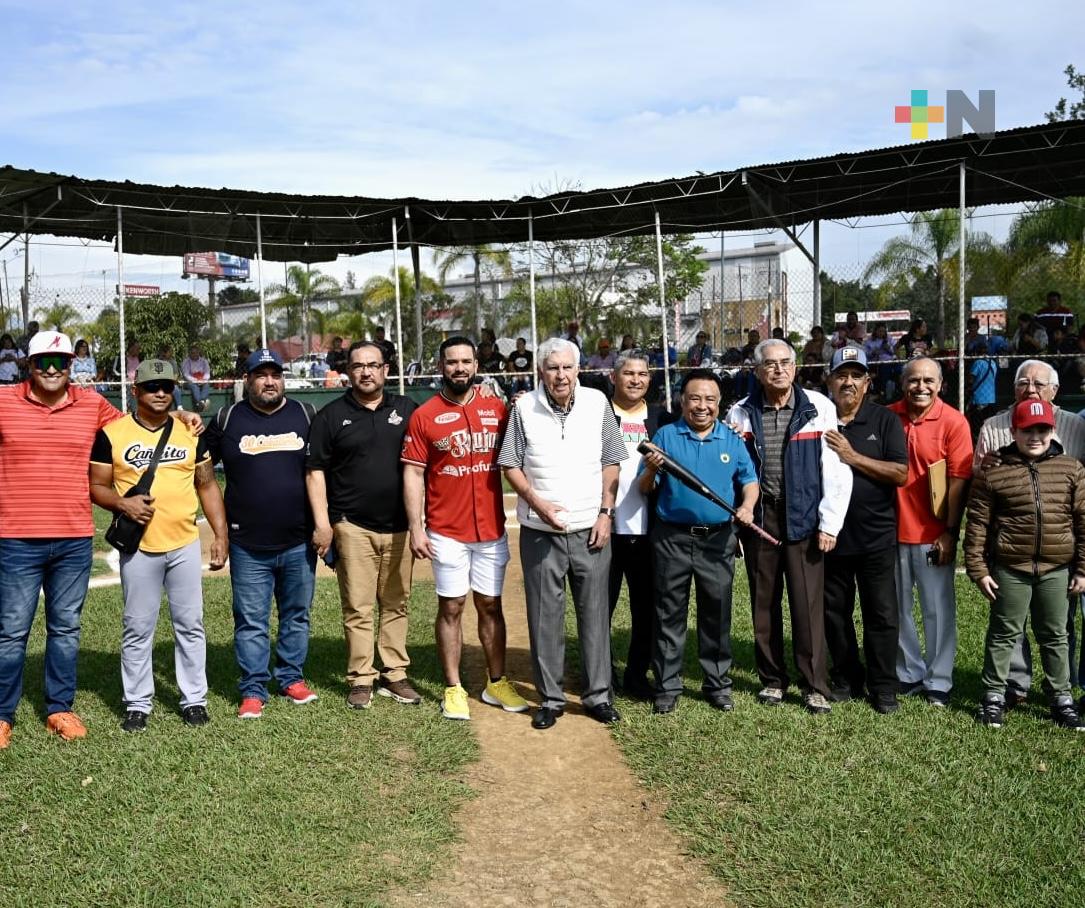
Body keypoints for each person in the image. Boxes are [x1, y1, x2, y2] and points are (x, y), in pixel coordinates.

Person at [0, 331, 124, 748]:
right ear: (28, 365)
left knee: (66, 628)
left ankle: (59, 708)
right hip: (15, 538)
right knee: (12, 631)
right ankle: (2, 714)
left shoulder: (91, 404)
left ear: (72, 365)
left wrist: (179, 418)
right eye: (42, 362)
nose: (52, 370)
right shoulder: (3, 402)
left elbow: (134, 433)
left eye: (60, 362)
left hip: (73, 538)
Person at [89, 359, 228, 732]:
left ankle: (194, 699)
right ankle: (137, 703)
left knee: (190, 624)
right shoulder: (112, 434)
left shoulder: (189, 432)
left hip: (183, 543)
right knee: (137, 626)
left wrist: (220, 534)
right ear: (136, 391)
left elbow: (207, 485)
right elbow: (97, 486)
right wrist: (122, 503)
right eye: (152, 387)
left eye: (167, 386)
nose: (161, 393)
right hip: (139, 547)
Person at [497, 337, 626, 730]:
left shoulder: (597, 403)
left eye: (567, 367)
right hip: (541, 531)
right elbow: (510, 465)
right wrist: (538, 505)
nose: (561, 375)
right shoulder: (523, 408)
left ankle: (598, 696)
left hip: (592, 529)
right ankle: (550, 699)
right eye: (552, 368)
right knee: (544, 618)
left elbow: (612, 460)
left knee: (594, 615)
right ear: (541, 372)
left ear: (578, 369)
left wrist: (606, 514)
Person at [402, 337, 528, 721]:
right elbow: (413, 472)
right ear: (441, 366)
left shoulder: (498, 409)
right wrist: (416, 527)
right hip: (445, 529)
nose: (459, 368)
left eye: (466, 361)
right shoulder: (425, 415)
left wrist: (522, 407)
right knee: (452, 606)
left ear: (477, 365)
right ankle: (453, 687)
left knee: (490, 604)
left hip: (490, 528)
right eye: (452, 362)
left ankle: (496, 681)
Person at [726, 339, 852, 714]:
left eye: (785, 363)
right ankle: (772, 680)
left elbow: (836, 470)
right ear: (757, 371)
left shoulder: (819, 408)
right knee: (764, 602)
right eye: (770, 364)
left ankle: (814, 684)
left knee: (807, 602)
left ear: (795, 368)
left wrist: (829, 523)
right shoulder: (741, 413)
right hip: (761, 518)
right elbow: (732, 470)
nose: (778, 369)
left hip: (805, 517)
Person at [206, 349, 320, 719]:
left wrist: (324, 524)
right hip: (247, 543)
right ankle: (254, 688)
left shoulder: (305, 415)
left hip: (298, 540)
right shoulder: (227, 419)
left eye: (275, 374)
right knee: (251, 619)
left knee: (296, 613)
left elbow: (323, 472)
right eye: (261, 375)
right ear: (247, 380)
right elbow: (196, 463)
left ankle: (291, 678)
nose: (269, 381)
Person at [306, 340, 420, 710]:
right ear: (348, 370)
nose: (366, 372)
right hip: (352, 526)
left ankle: (395, 674)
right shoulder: (331, 416)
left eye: (373, 365)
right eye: (358, 366)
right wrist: (324, 523)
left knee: (396, 602)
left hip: (401, 525)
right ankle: (361, 678)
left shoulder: (407, 410)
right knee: (357, 606)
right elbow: (315, 472)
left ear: (386, 369)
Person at [639, 370, 758, 714]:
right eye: (695, 398)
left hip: (718, 540)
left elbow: (749, 482)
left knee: (716, 615)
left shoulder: (732, 440)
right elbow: (645, 488)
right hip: (672, 539)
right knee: (668, 614)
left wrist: (747, 506)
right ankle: (667, 687)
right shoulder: (666, 435)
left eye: (709, 399)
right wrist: (649, 469)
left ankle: (717, 684)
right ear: (682, 401)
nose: (702, 406)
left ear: (720, 404)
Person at [965, 398, 1085, 731]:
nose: (1035, 436)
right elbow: (978, 523)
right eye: (1027, 429)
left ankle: (1061, 697)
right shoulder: (996, 472)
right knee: (1004, 632)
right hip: (1011, 567)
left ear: (1052, 429)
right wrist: (978, 568)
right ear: (1014, 431)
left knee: (1056, 634)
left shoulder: (1070, 469)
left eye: (1042, 429)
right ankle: (993, 695)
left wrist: (1083, 569)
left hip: (1056, 568)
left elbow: (1082, 520)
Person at [822, 347, 908, 713]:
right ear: (829, 380)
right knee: (834, 612)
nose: (848, 382)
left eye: (856, 375)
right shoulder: (819, 418)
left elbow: (900, 473)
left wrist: (853, 456)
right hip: (831, 536)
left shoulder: (884, 420)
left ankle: (883, 685)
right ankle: (846, 677)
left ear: (868, 382)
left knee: (882, 613)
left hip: (875, 535)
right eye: (841, 374)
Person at [889, 357, 973, 706]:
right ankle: (909, 673)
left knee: (937, 609)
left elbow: (957, 481)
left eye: (928, 381)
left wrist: (950, 532)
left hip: (932, 533)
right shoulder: (888, 415)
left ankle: (939, 679)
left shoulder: (953, 422)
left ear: (941, 385)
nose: (920, 387)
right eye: (913, 380)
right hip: (890, 532)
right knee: (896, 608)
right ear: (902, 383)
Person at [606, 349, 671, 699]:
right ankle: (602, 677)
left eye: (643, 374)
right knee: (601, 610)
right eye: (629, 373)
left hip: (650, 533)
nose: (636, 380)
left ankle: (636, 675)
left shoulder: (663, 419)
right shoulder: (598, 415)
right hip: (607, 531)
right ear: (613, 377)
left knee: (646, 610)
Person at [183, 343, 212, 412]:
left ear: (199, 353)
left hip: (202, 380)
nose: (194, 354)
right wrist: (196, 380)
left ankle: (200, 403)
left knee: (207, 384)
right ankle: (201, 402)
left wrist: (203, 380)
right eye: (192, 353)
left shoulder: (204, 361)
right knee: (194, 387)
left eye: (196, 353)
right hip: (190, 382)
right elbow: (186, 374)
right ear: (189, 353)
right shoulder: (186, 361)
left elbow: (207, 372)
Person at [156, 343, 184, 410]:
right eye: (164, 352)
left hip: (171, 382)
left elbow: (175, 375)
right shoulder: (158, 362)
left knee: (176, 388)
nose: (165, 354)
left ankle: (179, 406)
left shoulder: (173, 362)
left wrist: (172, 380)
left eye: (167, 351)